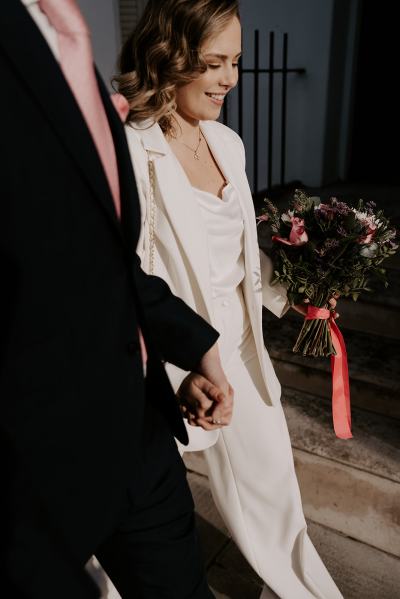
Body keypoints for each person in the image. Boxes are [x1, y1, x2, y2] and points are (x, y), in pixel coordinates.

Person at [0, 1, 234, 597]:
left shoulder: (59, 30)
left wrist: (195, 344)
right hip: (36, 456)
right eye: (215, 61)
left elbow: (104, 261)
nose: (229, 76)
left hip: (141, 428)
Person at [118, 1, 343, 597]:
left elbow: (239, 252)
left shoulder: (228, 142)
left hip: (241, 349)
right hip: (173, 360)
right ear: (168, 57)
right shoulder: (129, 150)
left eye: (237, 62)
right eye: (213, 63)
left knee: (277, 499)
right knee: (124, 520)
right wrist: (178, 369)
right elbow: (125, 279)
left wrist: (296, 294)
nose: (230, 80)